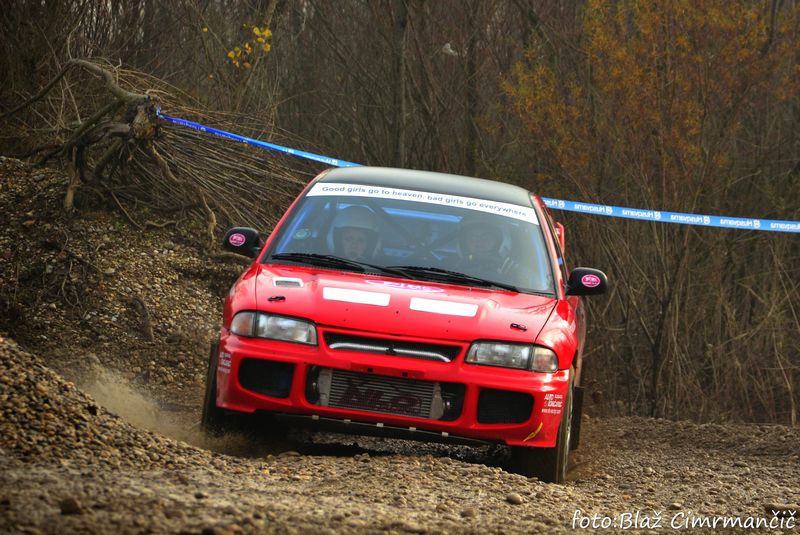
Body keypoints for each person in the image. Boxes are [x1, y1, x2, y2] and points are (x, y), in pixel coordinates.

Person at [457, 215, 518, 282]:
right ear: (464, 242)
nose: (479, 242)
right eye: (472, 237)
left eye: (486, 237)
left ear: (499, 241)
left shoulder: (510, 268)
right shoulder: (450, 264)